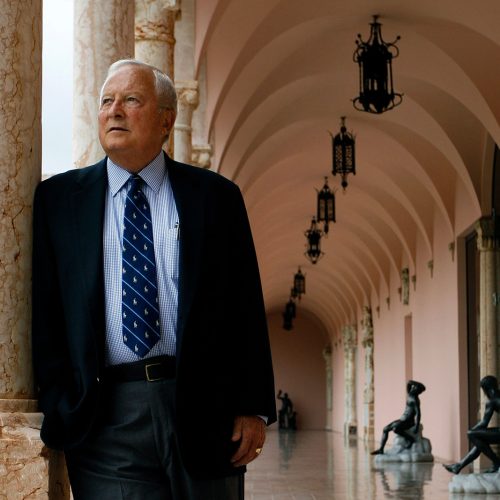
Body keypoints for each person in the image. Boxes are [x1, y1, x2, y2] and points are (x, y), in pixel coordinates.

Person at [32, 59, 276, 500]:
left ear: (167, 120)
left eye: (131, 100)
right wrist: (57, 400)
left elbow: (244, 304)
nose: (115, 111)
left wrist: (252, 406)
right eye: (107, 101)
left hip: (205, 406)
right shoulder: (59, 200)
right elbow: (46, 309)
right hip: (105, 415)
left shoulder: (216, 197)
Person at [443, 375, 500, 474]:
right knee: (479, 441)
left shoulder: (492, 401)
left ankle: (497, 462)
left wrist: (471, 432)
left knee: (473, 435)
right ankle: (459, 466)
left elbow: (483, 423)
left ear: (485, 389)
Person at [371, 380, 426, 455]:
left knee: (395, 429)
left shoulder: (415, 400)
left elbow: (418, 413)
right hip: (402, 420)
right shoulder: (410, 393)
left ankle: (410, 439)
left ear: (417, 391)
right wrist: (416, 384)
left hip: (408, 422)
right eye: (413, 387)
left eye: (415, 388)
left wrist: (416, 426)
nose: (413, 388)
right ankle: (381, 449)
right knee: (385, 429)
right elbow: (409, 382)